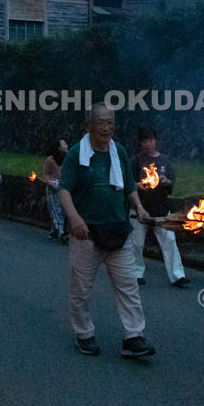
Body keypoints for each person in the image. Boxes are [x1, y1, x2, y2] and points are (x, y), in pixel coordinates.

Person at [58, 103, 156, 358]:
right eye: (100, 122)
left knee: (129, 286)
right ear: (89, 125)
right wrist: (75, 218)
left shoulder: (119, 151)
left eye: (110, 123)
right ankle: (84, 333)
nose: (106, 127)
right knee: (81, 290)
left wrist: (139, 207)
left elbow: (129, 186)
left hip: (118, 230)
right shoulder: (76, 154)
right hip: (86, 234)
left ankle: (134, 337)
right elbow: (64, 189)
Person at [129, 126, 190, 288]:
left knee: (169, 241)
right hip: (140, 208)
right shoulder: (136, 161)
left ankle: (177, 276)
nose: (148, 144)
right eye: (145, 141)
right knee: (137, 243)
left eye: (151, 140)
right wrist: (138, 185)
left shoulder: (164, 160)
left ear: (155, 141)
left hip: (161, 207)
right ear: (141, 143)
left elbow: (171, 182)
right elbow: (128, 183)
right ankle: (136, 273)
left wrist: (166, 181)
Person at [41, 138, 69, 243]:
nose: (66, 145)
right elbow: (46, 174)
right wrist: (51, 183)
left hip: (63, 185)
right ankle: (60, 232)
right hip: (53, 187)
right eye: (63, 144)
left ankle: (54, 230)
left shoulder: (68, 158)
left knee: (62, 209)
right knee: (55, 209)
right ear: (58, 147)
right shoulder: (50, 160)